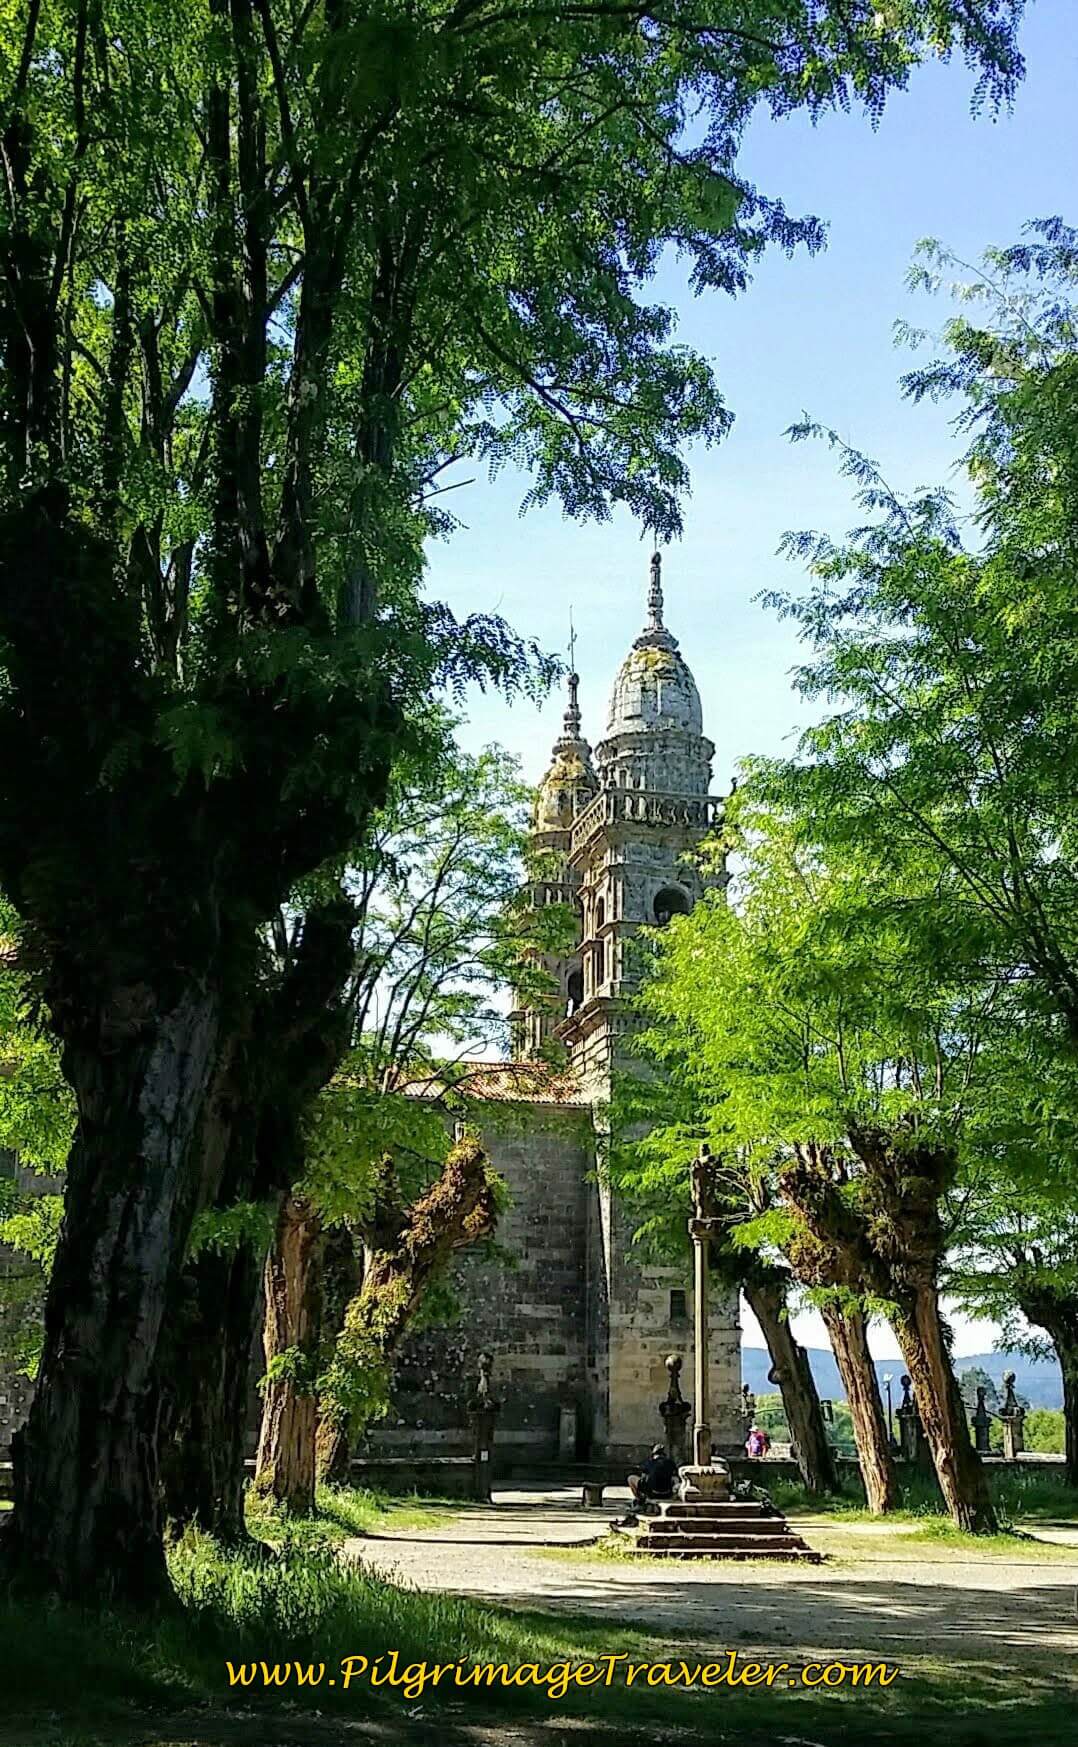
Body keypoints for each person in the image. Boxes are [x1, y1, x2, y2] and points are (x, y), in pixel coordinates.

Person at [614, 1444, 678, 1527]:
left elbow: (644, 1477)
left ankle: (640, 1502)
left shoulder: (649, 1462)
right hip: (667, 1493)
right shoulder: (670, 1462)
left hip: (653, 1492)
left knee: (631, 1478)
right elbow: (675, 1477)